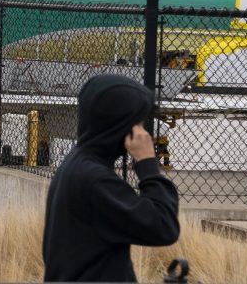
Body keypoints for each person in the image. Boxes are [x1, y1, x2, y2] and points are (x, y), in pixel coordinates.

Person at [43, 74, 180, 282]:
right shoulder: (96, 180)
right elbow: (163, 226)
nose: (143, 134)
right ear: (120, 125)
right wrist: (147, 164)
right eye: (138, 124)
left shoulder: (77, 163)